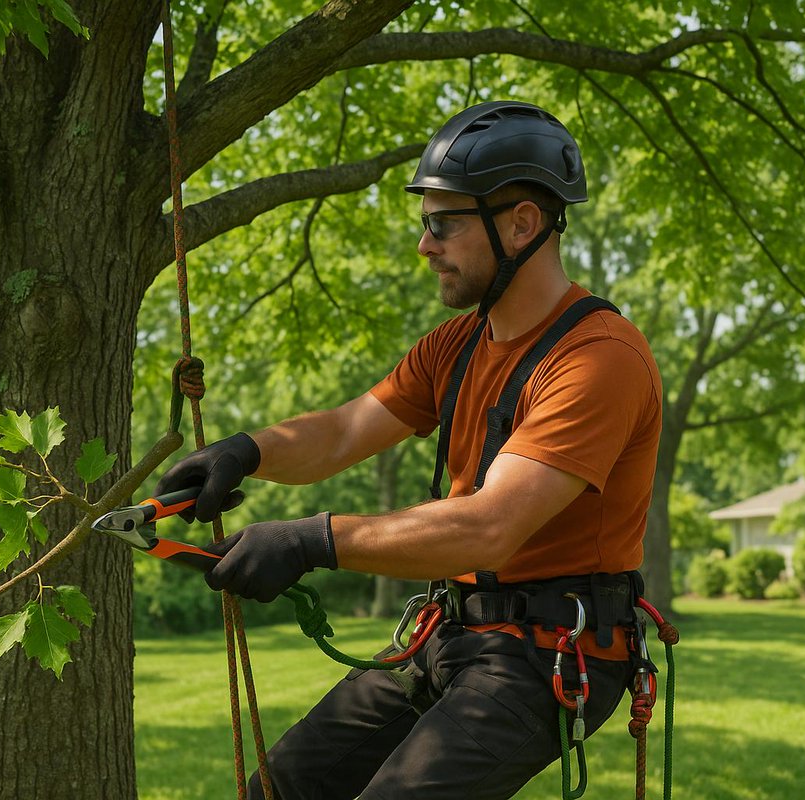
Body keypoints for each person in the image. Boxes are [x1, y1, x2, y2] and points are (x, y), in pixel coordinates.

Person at [154, 100, 663, 800]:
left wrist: (312, 540)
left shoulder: (597, 359)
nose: (425, 245)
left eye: (442, 223)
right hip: (444, 634)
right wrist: (245, 452)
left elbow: (491, 526)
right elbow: (341, 431)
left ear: (522, 224)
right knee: (278, 790)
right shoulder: (456, 346)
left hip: (546, 656)